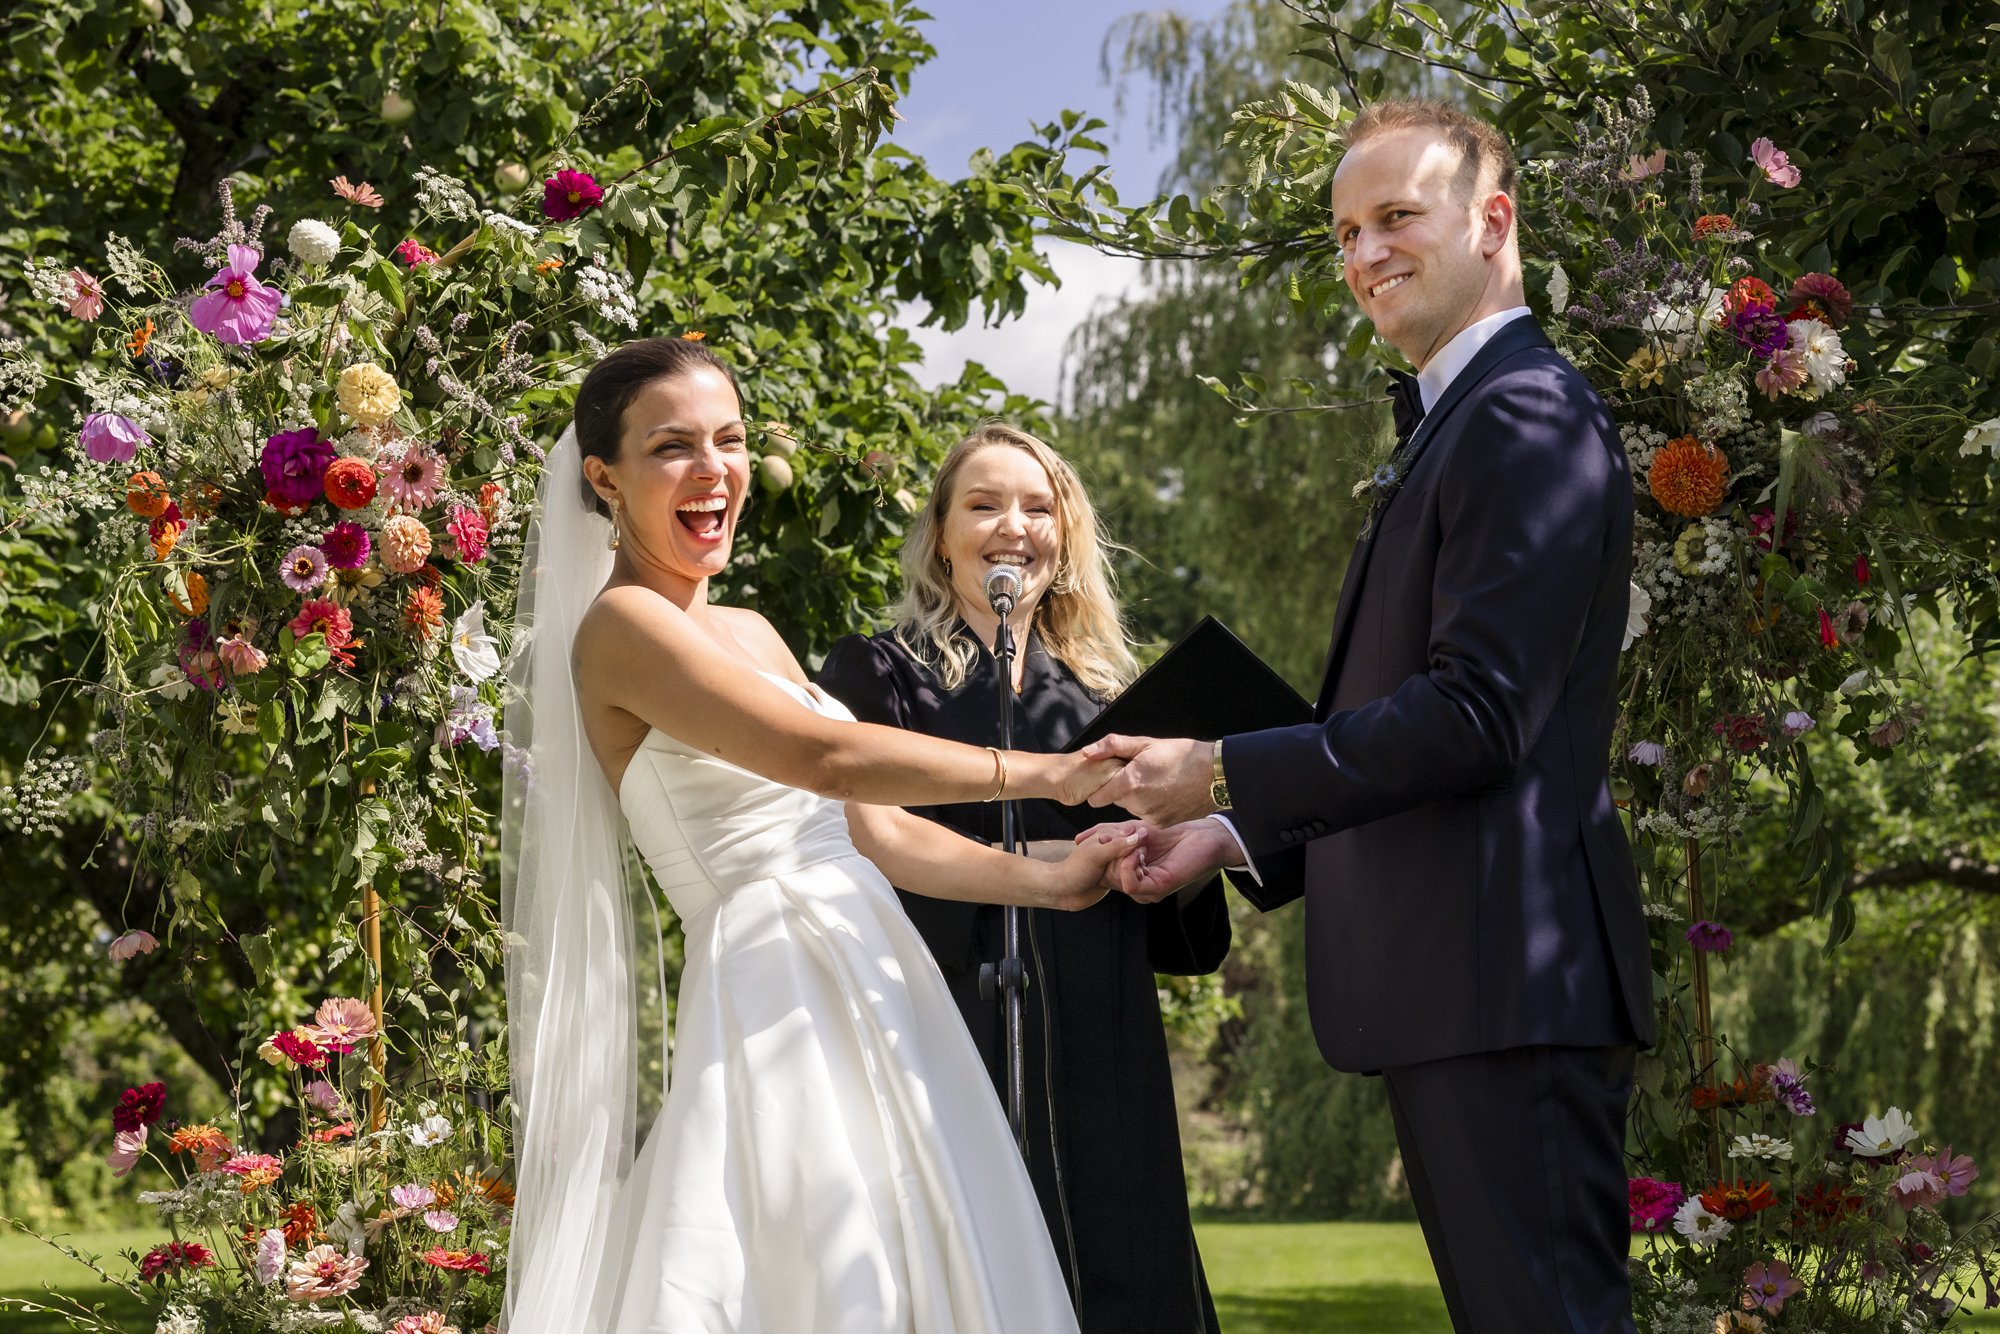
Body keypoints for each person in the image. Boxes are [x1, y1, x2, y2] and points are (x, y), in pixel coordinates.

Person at [1084, 100, 1656, 1334]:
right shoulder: (1459, 418)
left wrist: (1222, 767)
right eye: (1346, 230)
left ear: (1490, 220)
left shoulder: (1521, 414)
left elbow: (1476, 714)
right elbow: (1426, 729)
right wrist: (1233, 837)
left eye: (1395, 216)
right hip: (1471, 987)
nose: (1363, 253)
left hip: (1509, 979)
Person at [500, 337, 1137, 1334]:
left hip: (874, 961)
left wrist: (1050, 879)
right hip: (772, 977)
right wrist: (1049, 771)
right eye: (674, 447)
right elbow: (824, 760)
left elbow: (870, 831)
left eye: (731, 438)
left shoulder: (751, 630)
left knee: (925, 1249)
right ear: (604, 478)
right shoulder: (620, 626)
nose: (714, 469)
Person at [817, 423, 1228, 1334]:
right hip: (943, 1019)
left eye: (1038, 507)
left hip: (1100, 1034)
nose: (1014, 526)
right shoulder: (878, 675)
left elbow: (1177, 928)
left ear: (1066, 536)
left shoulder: (1108, 705)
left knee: (1122, 1274)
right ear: (940, 533)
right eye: (984, 503)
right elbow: (863, 848)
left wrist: (1187, 836)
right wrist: (1040, 869)